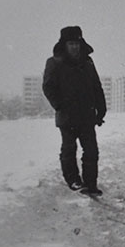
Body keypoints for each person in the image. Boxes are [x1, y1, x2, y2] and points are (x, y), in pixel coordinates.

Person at [42, 26, 107, 196]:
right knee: (69, 148)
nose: (75, 47)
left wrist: (101, 109)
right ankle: (73, 180)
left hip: (86, 115)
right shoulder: (54, 62)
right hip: (67, 116)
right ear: (64, 45)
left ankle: (90, 183)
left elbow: (96, 87)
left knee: (91, 150)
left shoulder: (88, 62)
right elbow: (48, 87)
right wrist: (60, 105)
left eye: (77, 43)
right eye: (71, 44)